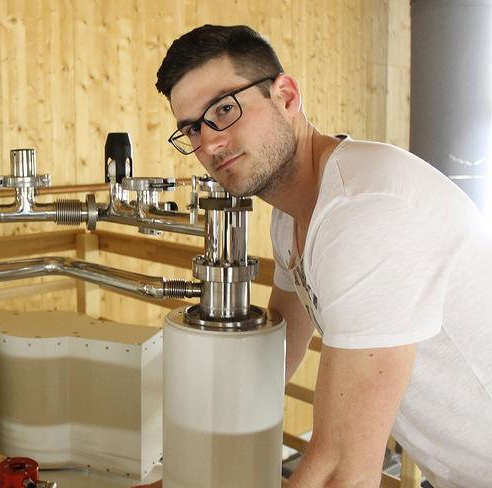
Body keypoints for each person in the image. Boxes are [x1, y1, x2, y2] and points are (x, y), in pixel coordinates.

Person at [139, 24, 492, 488]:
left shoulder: (365, 210)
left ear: (285, 95)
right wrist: (193, 468)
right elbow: (279, 354)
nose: (210, 144)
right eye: (191, 128)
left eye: (224, 109)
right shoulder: (293, 217)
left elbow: (344, 472)